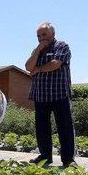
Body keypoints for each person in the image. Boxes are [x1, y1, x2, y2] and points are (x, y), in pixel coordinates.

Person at [24, 22, 75, 167]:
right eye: (38, 36)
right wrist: (37, 51)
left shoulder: (62, 46)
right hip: (40, 96)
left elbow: (55, 64)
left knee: (64, 127)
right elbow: (28, 67)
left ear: (53, 34)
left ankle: (68, 159)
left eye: (44, 34)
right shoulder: (37, 50)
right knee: (42, 129)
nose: (41, 38)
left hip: (59, 94)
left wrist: (38, 69)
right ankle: (45, 156)